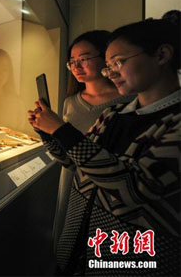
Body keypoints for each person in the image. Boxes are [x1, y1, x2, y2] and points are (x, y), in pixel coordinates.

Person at [28, 17, 180, 275]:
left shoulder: (174, 121)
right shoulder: (113, 114)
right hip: (81, 245)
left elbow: (134, 188)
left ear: (162, 55)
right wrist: (48, 133)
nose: (110, 73)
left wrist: (61, 130)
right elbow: (75, 163)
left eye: (118, 62)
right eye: (108, 66)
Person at [53, 31, 134, 253]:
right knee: (70, 238)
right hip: (72, 177)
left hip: (108, 182)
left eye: (84, 59)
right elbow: (64, 152)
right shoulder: (70, 102)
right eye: (72, 62)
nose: (77, 67)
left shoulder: (128, 101)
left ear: (105, 57)